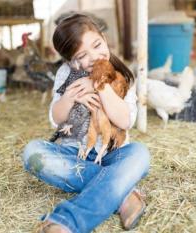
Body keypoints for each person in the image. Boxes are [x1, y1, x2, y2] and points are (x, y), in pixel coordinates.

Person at [22, 13, 151, 233]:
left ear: (103, 37)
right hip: (74, 153)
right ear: (70, 61)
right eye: (82, 55)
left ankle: (67, 221)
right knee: (32, 152)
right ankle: (123, 193)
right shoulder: (66, 74)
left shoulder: (121, 74)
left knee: (140, 153)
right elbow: (55, 118)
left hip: (111, 154)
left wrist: (100, 86)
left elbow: (125, 121)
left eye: (97, 45)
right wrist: (70, 97)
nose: (93, 57)